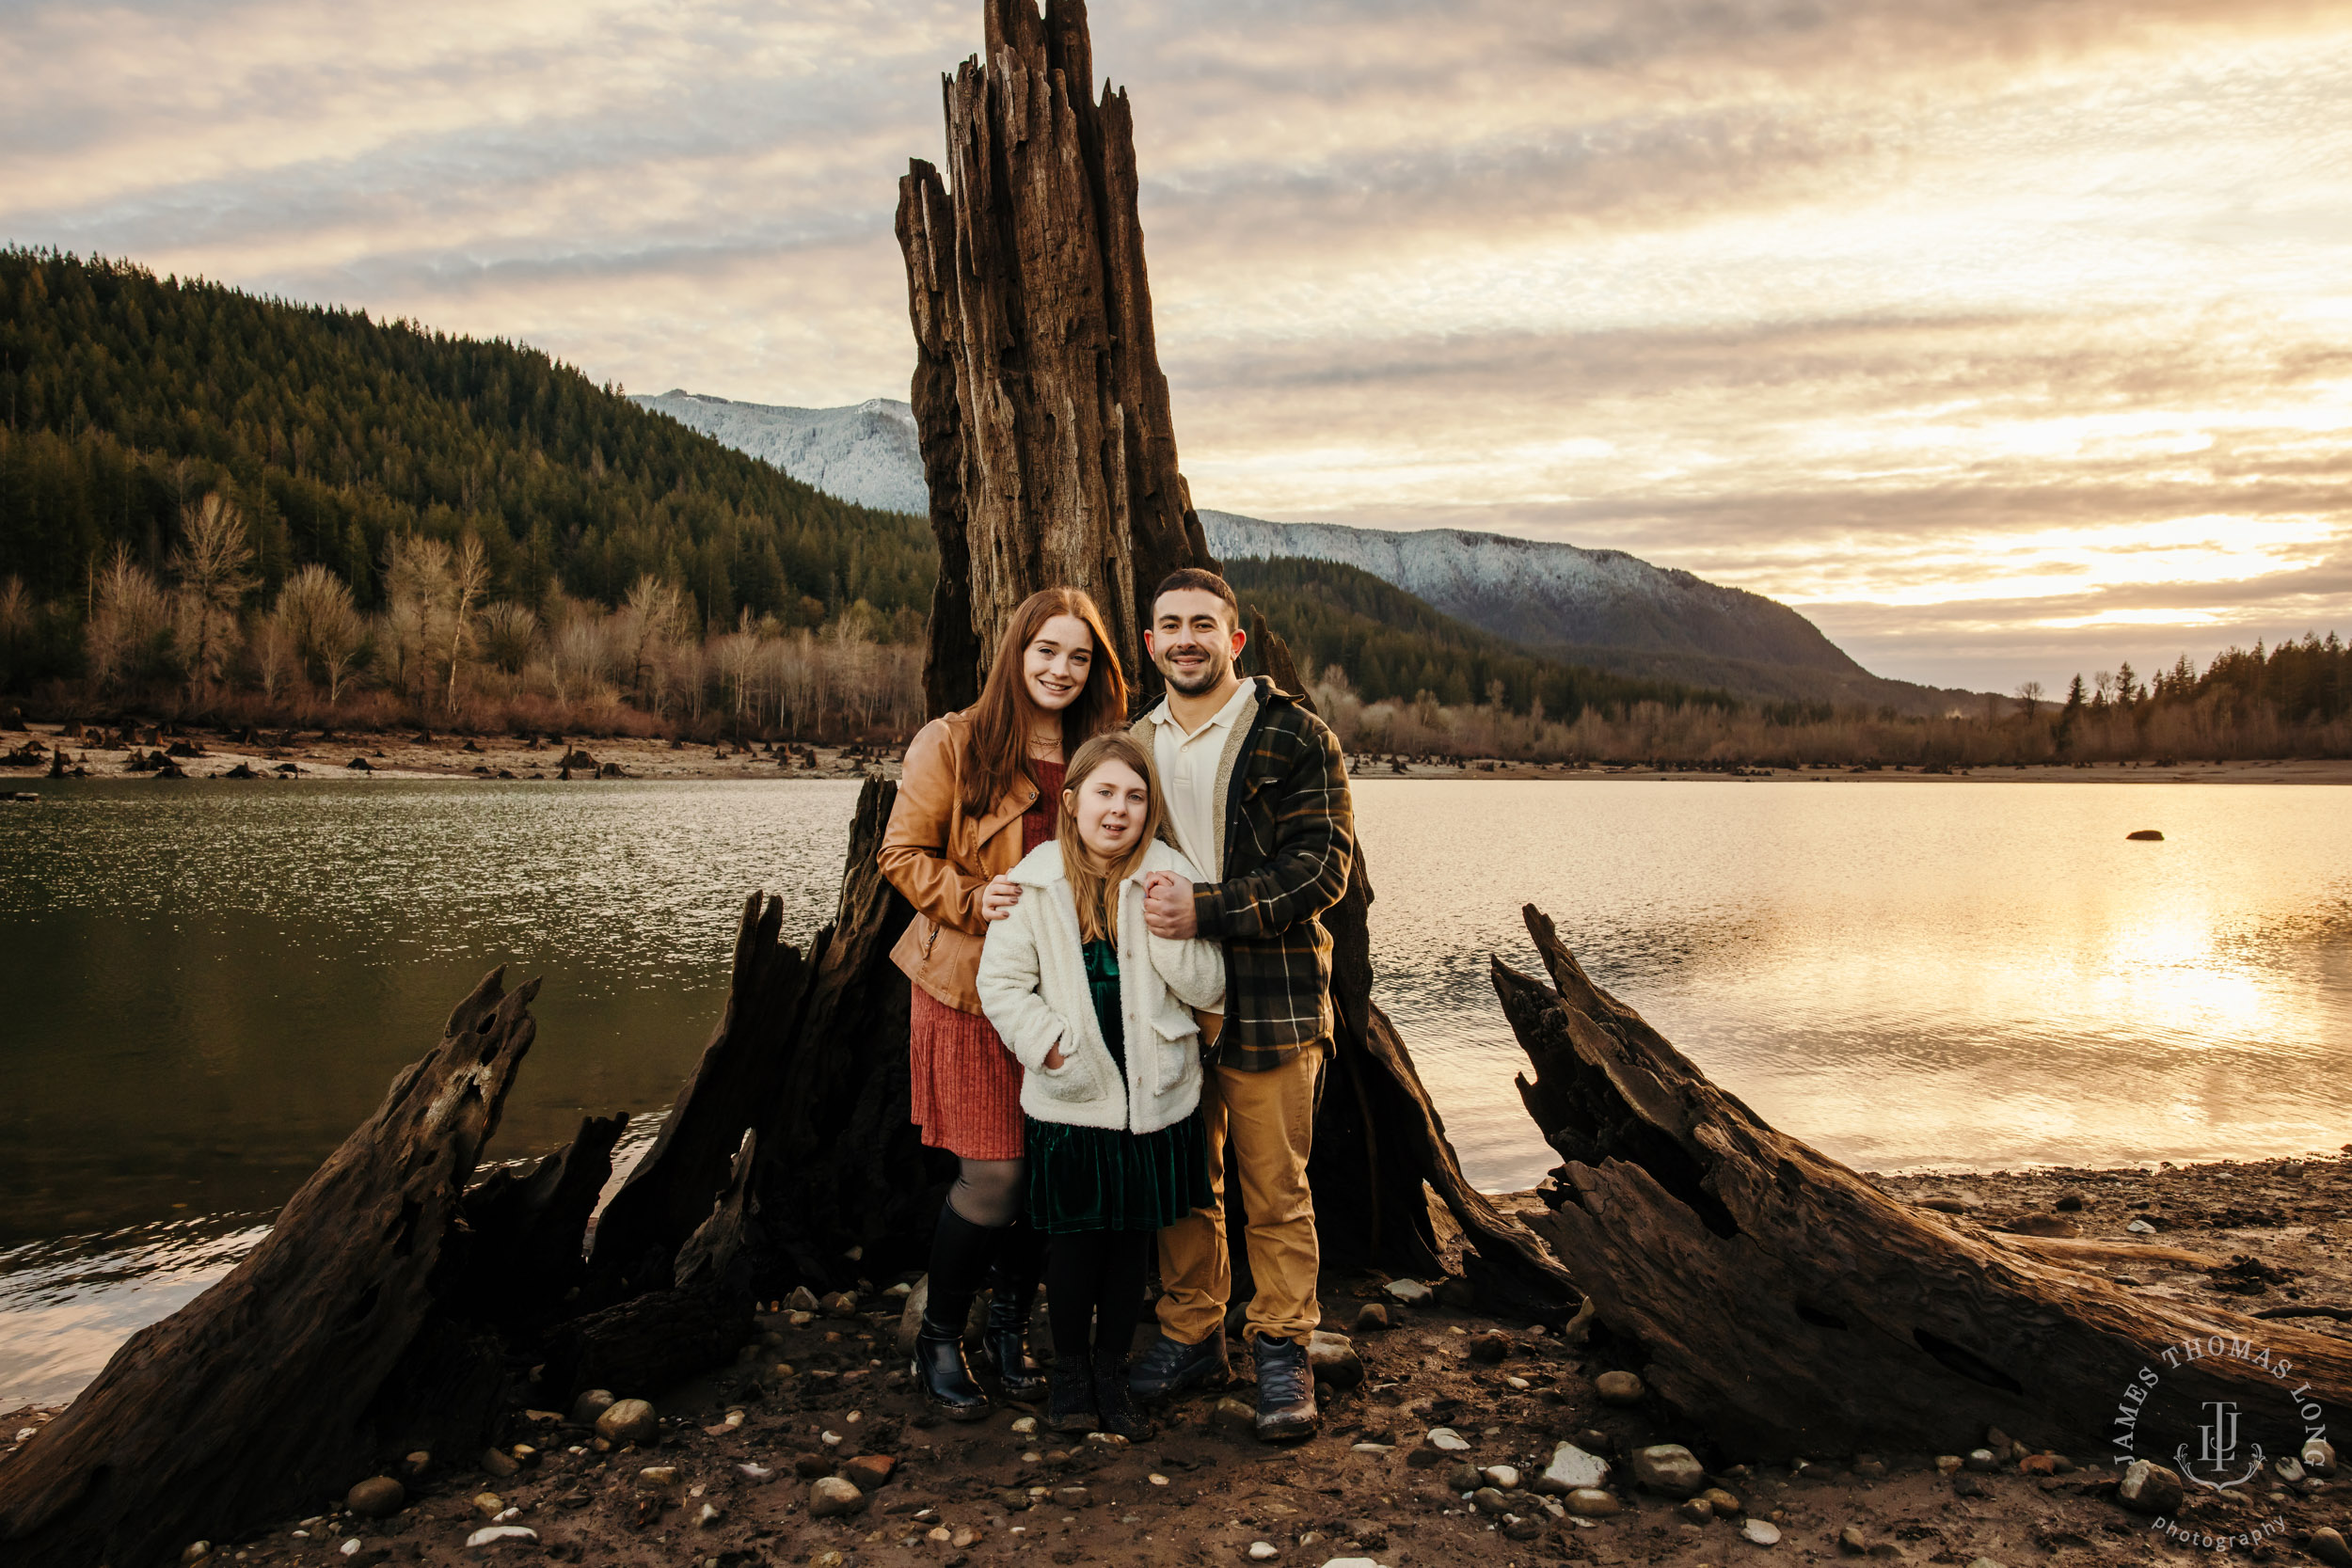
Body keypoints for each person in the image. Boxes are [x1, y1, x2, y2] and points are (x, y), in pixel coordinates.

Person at [877, 587, 1129, 1418]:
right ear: (1016, 653)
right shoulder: (953, 742)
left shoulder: (1102, 754)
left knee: (1048, 1173)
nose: (1060, 669)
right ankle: (940, 1336)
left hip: (1061, 995)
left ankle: (1012, 1328)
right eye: (1046, 650)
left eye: (1078, 655)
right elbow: (900, 852)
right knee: (997, 1173)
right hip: (965, 990)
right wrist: (968, 896)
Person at [1126, 566, 1354, 1442]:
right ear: (1150, 643)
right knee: (1184, 1180)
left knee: (1275, 1183)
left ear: (1235, 639)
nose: (1186, 637)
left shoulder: (1294, 735)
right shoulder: (1131, 743)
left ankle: (1283, 1347)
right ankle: (1191, 1334)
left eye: (1203, 624)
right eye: (1170, 624)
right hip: (1166, 1003)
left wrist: (1209, 907)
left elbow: (1322, 868)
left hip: (1271, 995)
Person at [975, 733, 1223, 1438]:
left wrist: (1174, 927)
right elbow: (1000, 983)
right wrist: (1051, 1047)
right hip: (1073, 1095)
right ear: (1074, 799)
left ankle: (1113, 1371)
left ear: (1150, 810)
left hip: (1155, 1095)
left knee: (1128, 1249)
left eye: (1136, 797)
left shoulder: (1170, 877)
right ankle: (1071, 1373)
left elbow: (1212, 984)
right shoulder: (1036, 880)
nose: (1119, 811)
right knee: (1076, 1247)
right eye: (1106, 794)